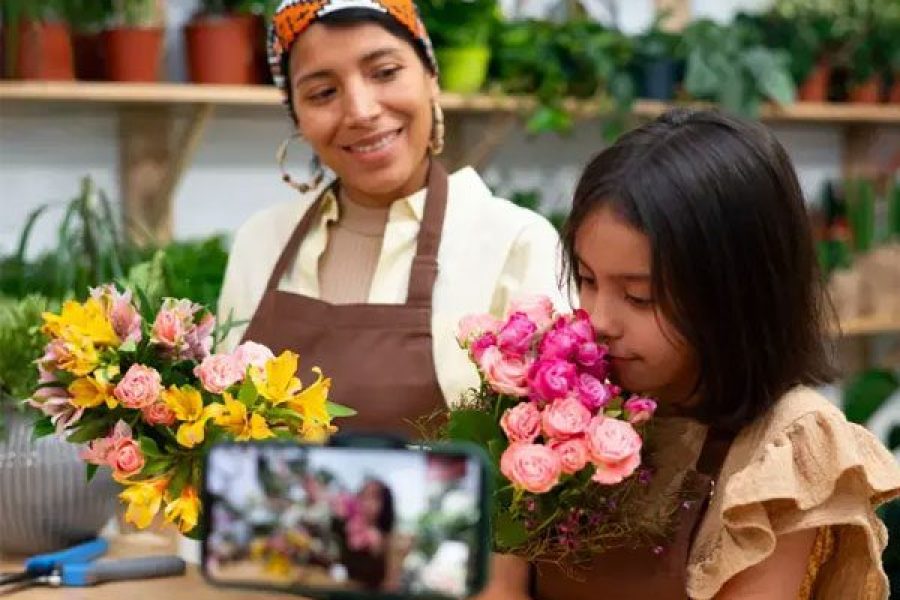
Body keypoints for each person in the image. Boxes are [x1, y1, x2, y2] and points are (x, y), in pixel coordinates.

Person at [483, 110, 900, 600]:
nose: (598, 320)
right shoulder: (557, 402)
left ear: (736, 294)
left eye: (639, 297)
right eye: (587, 280)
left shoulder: (786, 445)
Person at [217, 0, 567, 438]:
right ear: (298, 118)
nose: (361, 111)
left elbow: (554, 451)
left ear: (431, 78)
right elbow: (225, 432)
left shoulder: (514, 242)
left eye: (384, 72)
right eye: (323, 93)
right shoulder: (261, 242)